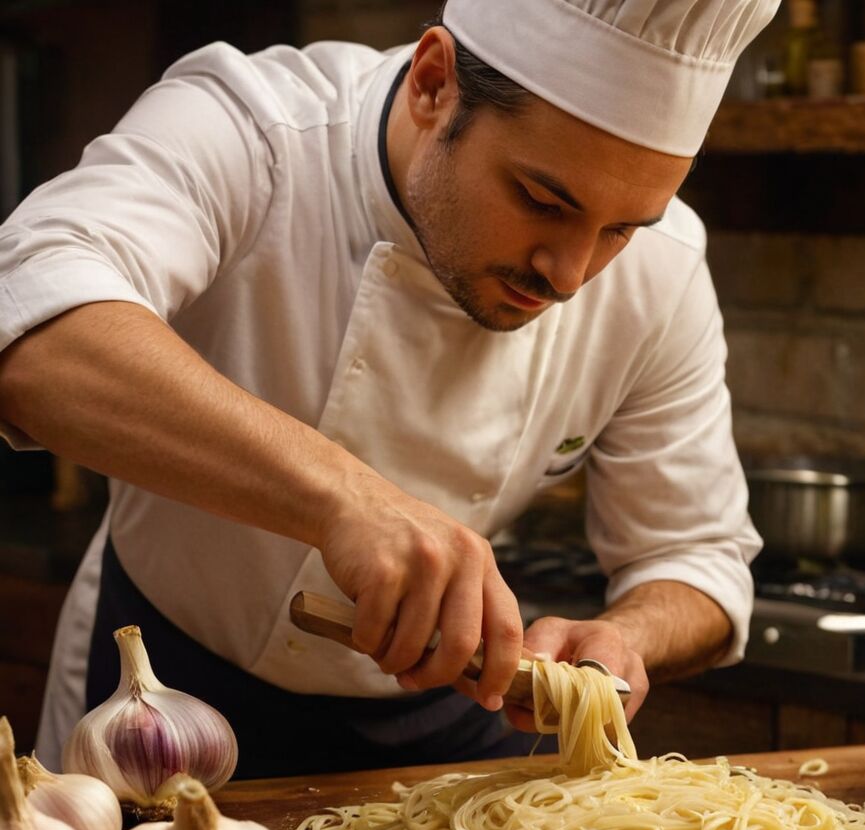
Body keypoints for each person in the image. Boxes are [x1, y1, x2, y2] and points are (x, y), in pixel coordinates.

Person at [0, 0, 774, 777]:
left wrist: (629, 639)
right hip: (162, 702)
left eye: (621, 230)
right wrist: (345, 498)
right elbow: (32, 323)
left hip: (454, 729)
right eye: (543, 201)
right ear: (434, 83)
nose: (569, 275)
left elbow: (696, 556)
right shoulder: (254, 133)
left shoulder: (665, 271)